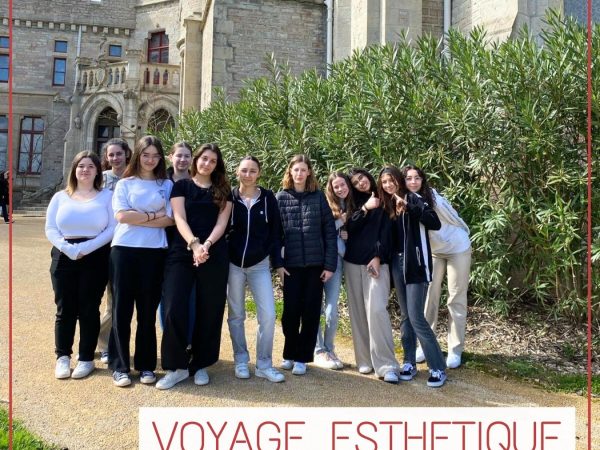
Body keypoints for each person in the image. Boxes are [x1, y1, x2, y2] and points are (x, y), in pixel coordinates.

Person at [156, 143, 232, 390]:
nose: (207, 164)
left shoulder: (223, 190)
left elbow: (222, 223)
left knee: (209, 309)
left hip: (213, 253)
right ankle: (177, 367)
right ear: (196, 160)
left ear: (217, 165)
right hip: (182, 252)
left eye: (212, 160)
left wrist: (206, 245)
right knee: (173, 307)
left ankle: (200, 364)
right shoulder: (182, 186)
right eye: (204, 159)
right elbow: (179, 218)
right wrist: (194, 244)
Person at [109, 135, 174, 387]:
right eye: (146, 155)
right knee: (121, 310)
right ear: (137, 155)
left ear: (160, 158)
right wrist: (152, 215)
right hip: (124, 250)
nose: (150, 160)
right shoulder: (125, 184)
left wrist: (141, 216)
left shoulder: (166, 185)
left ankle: (146, 365)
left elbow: (170, 219)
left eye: (155, 155)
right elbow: (122, 216)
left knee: (147, 311)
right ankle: (120, 366)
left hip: (154, 252)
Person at [45, 151, 116, 379]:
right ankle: (63, 357)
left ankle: (86, 358)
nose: (85, 170)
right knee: (64, 308)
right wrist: (68, 248)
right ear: (74, 170)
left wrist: (87, 248)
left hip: (95, 256)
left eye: (90, 166)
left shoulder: (106, 196)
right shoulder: (60, 197)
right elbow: (51, 228)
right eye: (81, 166)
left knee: (89, 308)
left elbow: (112, 228)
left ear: (98, 171)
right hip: (63, 255)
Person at [379, 165, 446, 388]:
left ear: (398, 181)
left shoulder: (413, 198)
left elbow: (434, 222)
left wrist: (409, 207)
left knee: (416, 316)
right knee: (406, 316)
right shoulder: (387, 204)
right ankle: (409, 362)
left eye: (392, 180)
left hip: (416, 264)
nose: (388, 185)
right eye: (384, 182)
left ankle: (437, 367)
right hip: (397, 264)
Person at [225, 156, 285, 383]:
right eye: (244, 170)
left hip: (259, 265)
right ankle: (241, 360)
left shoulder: (268, 198)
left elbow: (276, 233)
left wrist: (277, 264)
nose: (248, 174)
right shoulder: (230, 197)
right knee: (236, 315)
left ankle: (264, 364)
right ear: (237, 172)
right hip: (233, 265)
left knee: (268, 315)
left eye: (252, 171)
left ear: (259, 173)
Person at [276, 154, 337, 376]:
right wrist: (278, 264)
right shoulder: (280, 197)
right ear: (290, 172)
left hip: (315, 265)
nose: (299, 173)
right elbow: (275, 235)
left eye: (303, 170)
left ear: (309, 172)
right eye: (296, 170)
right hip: (290, 266)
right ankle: (289, 354)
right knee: (290, 313)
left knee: (311, 312)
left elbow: (329, 232)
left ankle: (302, 357)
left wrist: (329, 265)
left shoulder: (318, 197)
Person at [344, 167, 400, 384]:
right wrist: (365, 208)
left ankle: (387, 365)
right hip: (352, 262)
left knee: (376, 310)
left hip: (377, 263)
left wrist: (378, 255)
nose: (361, 183)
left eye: (362, 178)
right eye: (355, 182)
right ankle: (364, 359)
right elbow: (349, 227)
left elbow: (387, 233)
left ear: (368, 176)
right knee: (358, 312)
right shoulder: (353, 203)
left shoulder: (384, 198)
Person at [416, 186, 471, 369]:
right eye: (408, 178)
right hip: (433, 250)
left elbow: (452, 219)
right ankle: (426, 345)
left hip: (457, 247)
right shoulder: (401, 199)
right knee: (429, 296)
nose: (413, 181)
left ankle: (455, 349)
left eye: (417, 177)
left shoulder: (432, 197)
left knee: (456, 298)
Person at [97, 138, 132, 364]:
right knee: (98, 299)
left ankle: (104, 343)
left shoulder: (134, 177)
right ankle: (97, 341)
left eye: (119, 153)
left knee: (116, 299)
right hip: (100, 243)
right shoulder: (100, 179)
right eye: (111, 154)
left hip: (125, 242)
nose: (115, 158)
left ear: (127, 154)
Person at [314, 172, 353, 370]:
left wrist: (346, 234)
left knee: (331, 309)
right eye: (336, 186)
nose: (340, 189)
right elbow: (322, 231)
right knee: (314, 306)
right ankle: (319, 349)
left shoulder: (352, 204)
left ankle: (329, 348)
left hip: (338, 261)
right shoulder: (324, 204)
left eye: (342, 185)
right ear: (330, 188)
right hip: (320, 260)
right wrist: (340, 222)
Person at [158, 142, 195, 339]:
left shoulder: (196, 181)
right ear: (170, 157)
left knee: (191, 293)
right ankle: (169, 338)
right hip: (163, 241)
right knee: (167, 294)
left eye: (187, 156)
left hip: (190, 242)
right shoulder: (161, 181)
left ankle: (188, 340)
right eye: (179, 155)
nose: (182, 160)